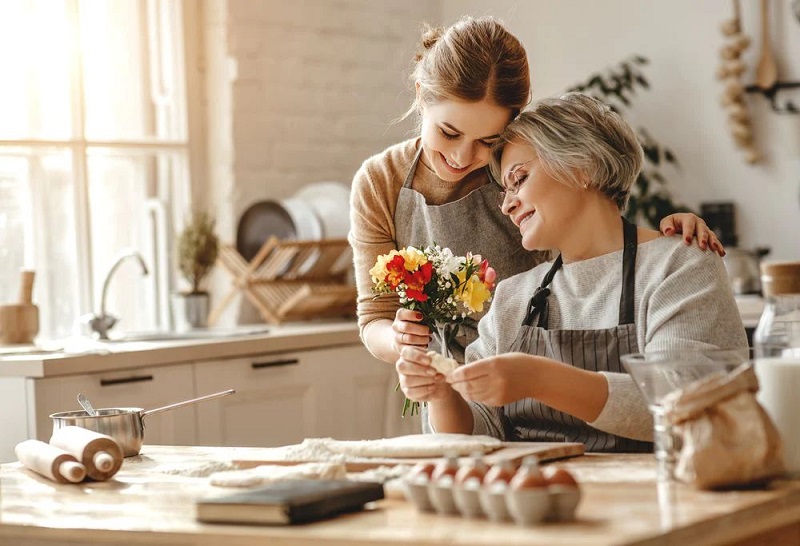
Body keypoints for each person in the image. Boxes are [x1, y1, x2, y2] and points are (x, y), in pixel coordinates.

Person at [349, 16, 724, 372]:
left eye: (488, 140)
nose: (463, 157)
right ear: (420, 95)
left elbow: (593, 251)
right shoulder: (380, 182)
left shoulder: (522, 166)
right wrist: (402, 341)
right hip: (446, 387)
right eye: (449, 133)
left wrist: (663, 243)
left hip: (538, 377)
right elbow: (374, 317)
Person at [396, 92, 748, 450]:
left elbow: (685, 403)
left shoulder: (679, 265)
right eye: (504, 190)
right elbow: (478, 432)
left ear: (582, 166)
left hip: (657, 495)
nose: (507, 204)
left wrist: (539, 378)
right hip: (540, 498)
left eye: (519, 179)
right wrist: (441, 395)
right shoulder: (513, 296)